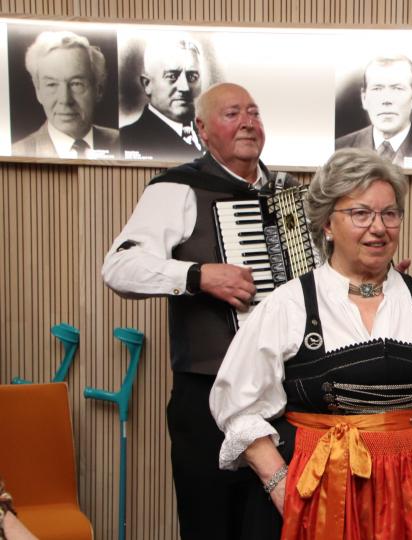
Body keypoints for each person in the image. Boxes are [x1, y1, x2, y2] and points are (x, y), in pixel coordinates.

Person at [210, 147, 412, 539]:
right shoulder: (286, 306)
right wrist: (282, 489)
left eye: (390, 214)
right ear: (326, 224)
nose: (379, 227)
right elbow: (237, 409)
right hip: (322, 496)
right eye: (361, 214)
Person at [102, 82, 300, 540]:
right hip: (206, 397)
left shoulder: (290, 195)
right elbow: (119, 267)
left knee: (279, 523)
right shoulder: (178, 189)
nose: (249, 122)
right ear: (202, 130)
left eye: (254, 112)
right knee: (211, 525)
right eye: (233, 114)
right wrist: (197, 276)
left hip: (283, 398)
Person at [12, 31, 120, 159]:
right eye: (52, 84)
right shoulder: (16, 152)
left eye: (76, 84)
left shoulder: (122, 142)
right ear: (38, 91)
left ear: (99, 90)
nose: (65, 99)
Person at [335, 55, 412, 168]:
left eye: (397, 89)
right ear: (364, 98)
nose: (386, 100)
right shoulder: (338, 148)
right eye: (377, 89)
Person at [121, 34, 205, 161]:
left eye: (192, 76)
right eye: (172, 76)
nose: (185, 87)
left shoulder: (211, 135)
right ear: (147, 84)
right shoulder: (126, 140)